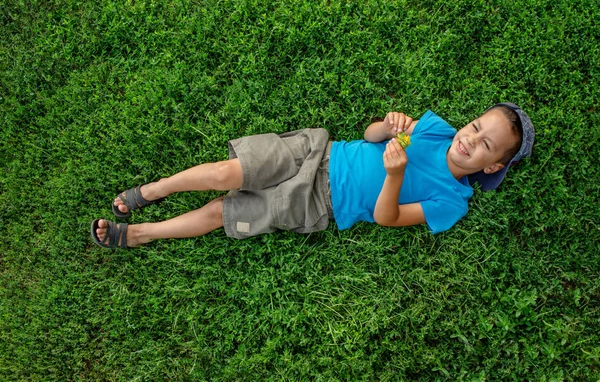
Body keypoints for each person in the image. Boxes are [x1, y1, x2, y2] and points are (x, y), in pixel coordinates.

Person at [90, 102, 535, 248]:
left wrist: (394, 177)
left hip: (321, 203)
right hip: (319, 153)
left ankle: (142, 233)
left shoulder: (452, 202)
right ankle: (155, 188)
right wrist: (388, 124)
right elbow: (371, 134)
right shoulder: (437, 130)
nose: (470, 140)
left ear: (492, 167)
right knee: (229, 171)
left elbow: (387, 219)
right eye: (476, 126)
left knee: (222, 210)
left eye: (485, 146)